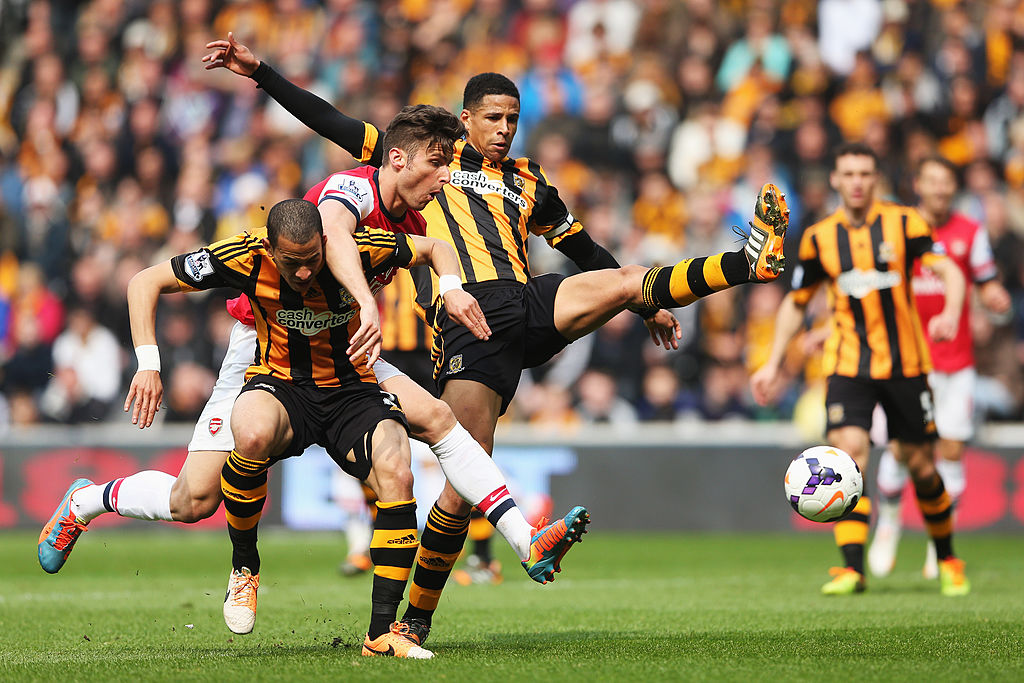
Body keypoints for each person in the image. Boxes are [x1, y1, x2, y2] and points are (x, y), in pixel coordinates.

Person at [201, 33, 790, 633]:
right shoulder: (429, 159)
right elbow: (326, 118)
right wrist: (261, 73)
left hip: (527, 304)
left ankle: (749, 262)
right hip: (468, 323)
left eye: (513, 118)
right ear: (465, 120)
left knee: (627, 278)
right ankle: (413, 624)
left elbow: (586, 250)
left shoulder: (530, 180)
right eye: (493, 118)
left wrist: (645, 305)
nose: (505, 129)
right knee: (461, 485)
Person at [37, 106, 589, 657]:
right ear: (398, 160)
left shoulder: (413, 221)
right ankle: (93, 501)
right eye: (438, 164)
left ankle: (525, 541)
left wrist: (449, 285)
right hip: (262, 345)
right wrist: (150, 361)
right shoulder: (347, 198)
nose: (446, 178)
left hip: (345, 355)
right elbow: (322, 232)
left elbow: (432, 250)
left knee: (439, 420)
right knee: (193, 499)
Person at [750, 142, 971, 597]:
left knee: (921, 466)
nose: (856, 182)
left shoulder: (905, 223)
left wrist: (949, 311)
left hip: (906, 365)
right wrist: (773, 362)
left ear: (876, 179)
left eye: (865, 174)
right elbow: (797, 302)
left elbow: (949, 271)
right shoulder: (818, 237)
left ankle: (948, 558)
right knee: (849, 456)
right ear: (834, 179)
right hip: (848, 365)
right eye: (848, 173)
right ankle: (853, 569)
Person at [867, 155, 1011, 580]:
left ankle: (939, 541)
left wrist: (995, 296)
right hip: (907, 360)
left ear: (953, 187)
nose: (940, 190)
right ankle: (889, 523)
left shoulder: (970, 232)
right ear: (918, 185)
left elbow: (985, 282)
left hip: (956, 361)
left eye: (946, 182)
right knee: (900, 448)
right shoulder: (898, 228)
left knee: (950, 449)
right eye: (931, 182)